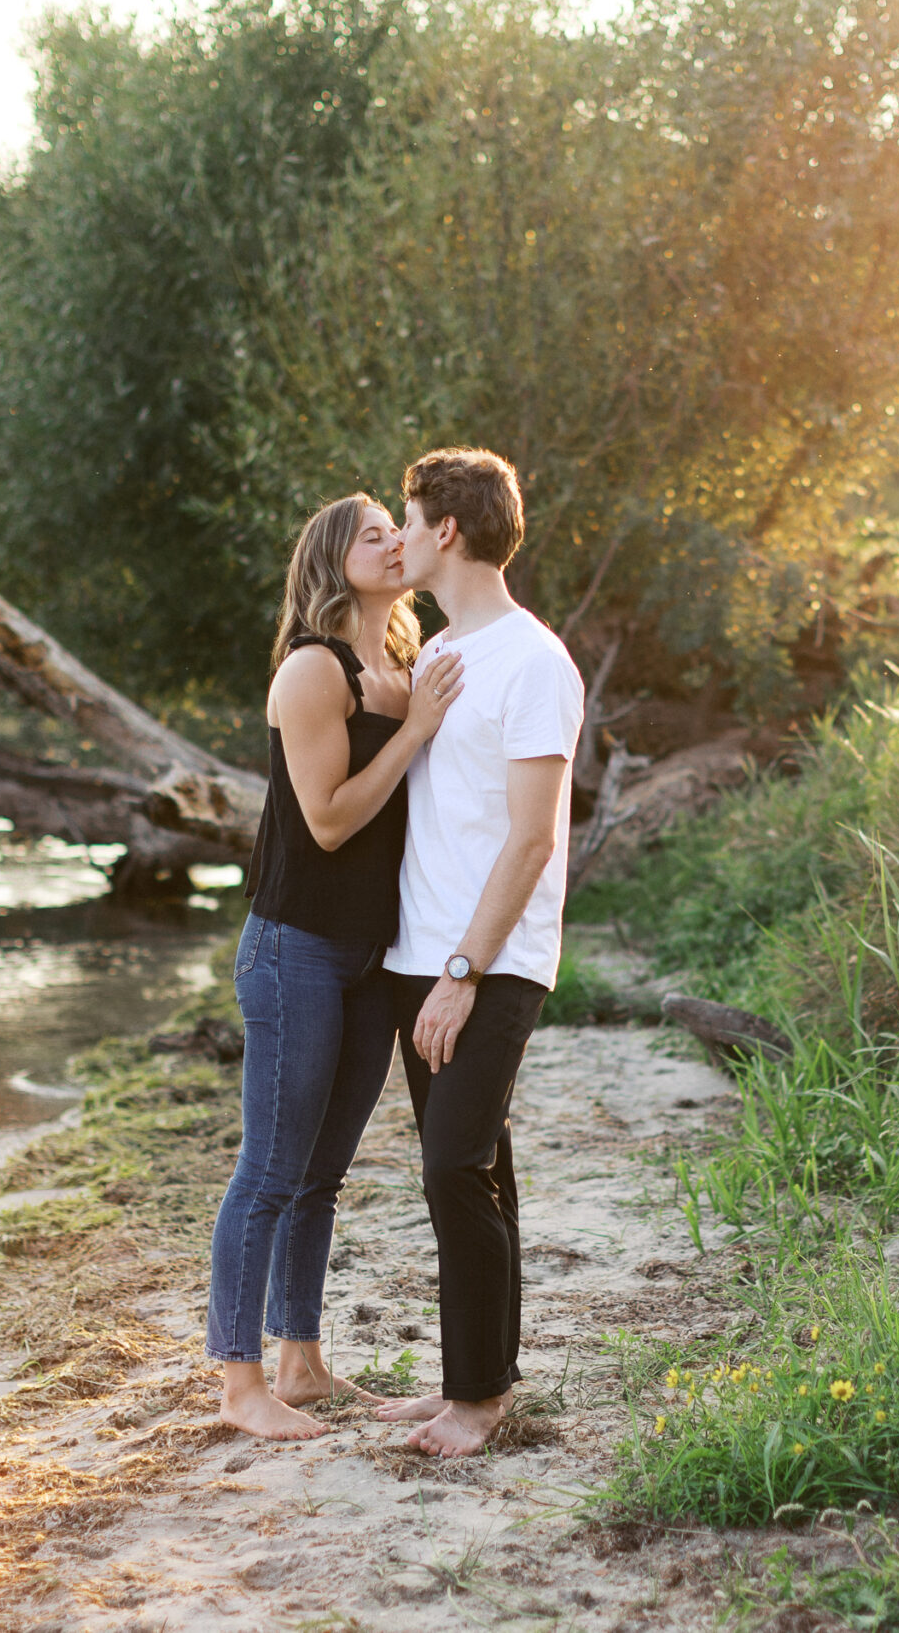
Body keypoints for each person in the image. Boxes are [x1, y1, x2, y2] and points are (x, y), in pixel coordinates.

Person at [209, 493, 465, 1441]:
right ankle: (240, 1385)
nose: (395, 542)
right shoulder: (314, 672)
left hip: (374, 953)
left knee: (321, 1175)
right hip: (295, 949)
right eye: (373, 534)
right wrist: (416, 730)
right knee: (270, 1170)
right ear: (330, 558)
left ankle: (302, 1363)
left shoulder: (403, 671)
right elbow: (326, 820)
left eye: (396, 531)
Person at [368, 448, 586, 1458]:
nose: (400, 539)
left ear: (445, 531)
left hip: (487, 963)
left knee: (453, 1168)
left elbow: (534, 835)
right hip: (424, 954)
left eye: (407, 522)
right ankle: (478, 1379)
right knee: (476, 1167)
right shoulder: (445, 654)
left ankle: (476, 1404)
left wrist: (463, 972)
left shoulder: (535, 663)